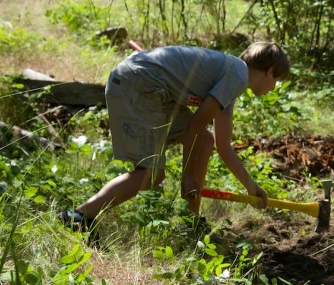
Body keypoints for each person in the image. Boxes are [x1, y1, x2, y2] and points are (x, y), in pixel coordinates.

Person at [60, 42, 290, 233]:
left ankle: (190, 222)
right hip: (139, 84)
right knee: (150, 174)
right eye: (277, 80)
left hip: (152, 87)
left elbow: (222, 145)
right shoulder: (237, 74)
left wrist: (251, 187)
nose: (274, 87)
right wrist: (187, 177)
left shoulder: (232, 77)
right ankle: (79, 215)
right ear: (269, 71)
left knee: (205, 142)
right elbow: (195, 124)